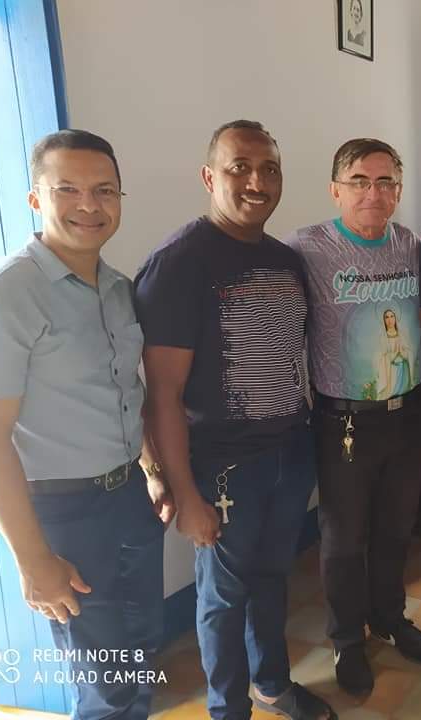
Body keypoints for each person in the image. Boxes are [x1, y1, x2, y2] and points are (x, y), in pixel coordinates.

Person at [0, 129, 171, 719]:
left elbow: (127, 392)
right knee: (103, 681)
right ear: (36, 199)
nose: (88, 205)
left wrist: (152, 471)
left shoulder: (120, 290)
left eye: (104, 190)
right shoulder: (3, 295)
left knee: (142, 652)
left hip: (128, 496)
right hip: (64, 514)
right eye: (68, 189)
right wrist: (33, 561)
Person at [135, 121, 335, 720]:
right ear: (208, 177)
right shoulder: (178, 264)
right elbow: (161, 395)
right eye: (239, 167)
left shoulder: (285, 260)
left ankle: (271, 686)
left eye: (269, 168)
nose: (257, 181)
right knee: (222, 599)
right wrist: (183, 489)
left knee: (273, 580)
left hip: (289, 453)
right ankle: (228, 710)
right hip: (222, 468)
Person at [284, 138, 421, 697]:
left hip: (408, 413)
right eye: (359, 181)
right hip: (343, 420)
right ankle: (348, 638)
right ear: (335, 190)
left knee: (397, 527)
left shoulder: (411, 246)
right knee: (344, 538)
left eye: (385, 181)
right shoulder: (306, 248)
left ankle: (390, 618)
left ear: (398, 189)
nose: (373, 192)